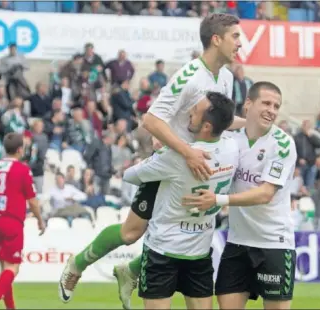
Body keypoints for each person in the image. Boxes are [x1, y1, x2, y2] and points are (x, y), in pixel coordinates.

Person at [58, 13, 244, 305]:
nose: (240, 43)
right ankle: (77, 265)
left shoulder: (228, 77)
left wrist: (255, 124)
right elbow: (151, 120)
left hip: (196, 168)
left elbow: (222, 121)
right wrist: (186, 151)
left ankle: (131, 271)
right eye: (235, 36)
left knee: (180, 233)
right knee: (132, 232)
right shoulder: (189, 76)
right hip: (174, 166)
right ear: (216, 39)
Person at [182, 82, 297, 309]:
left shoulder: (282, 144)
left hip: (273, 243)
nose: (271, 110)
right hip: (237, 243)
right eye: (266, 103)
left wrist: (217, 200)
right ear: (248, 104)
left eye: (276, 106)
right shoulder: (231, 140)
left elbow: (265, 194)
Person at [126, 91, 237, 309]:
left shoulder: (176, 157)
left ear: (206, 126)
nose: (189, 113)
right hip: (200, 250)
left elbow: (130, 176)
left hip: (162, 250)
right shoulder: (232, 147)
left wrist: (168, 149)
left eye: (195, 112)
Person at [0, 133, 46, 310]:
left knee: (4, 269)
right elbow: (32, 201)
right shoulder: (22, 170)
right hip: (12, 222)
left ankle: (11, 308)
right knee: (13, 267)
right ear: (20, 150)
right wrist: (40, 220)